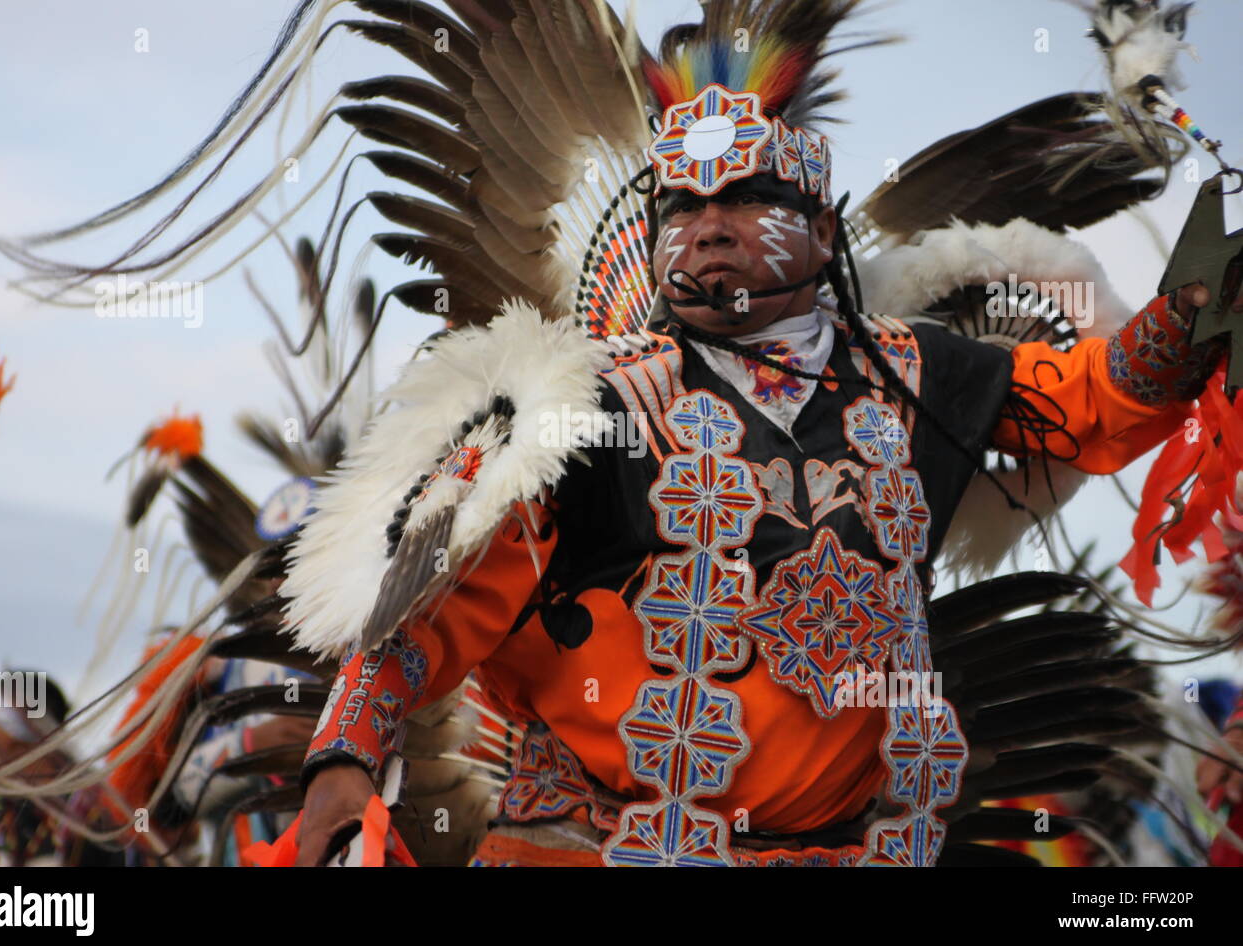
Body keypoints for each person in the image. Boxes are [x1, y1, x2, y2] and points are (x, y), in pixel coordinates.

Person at [285, 87, 1239, 865]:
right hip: (599, 849)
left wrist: (1197, 304)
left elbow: (1100, 401)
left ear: (822, 232)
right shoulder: (580, 406)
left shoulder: (923, 374)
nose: (708, 225)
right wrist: (346, 755)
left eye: (744, 198)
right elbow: (424, 617)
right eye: (684, 206)